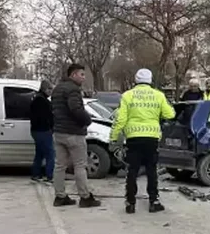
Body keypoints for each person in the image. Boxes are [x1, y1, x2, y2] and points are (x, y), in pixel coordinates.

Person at [110, 68, 175, 214]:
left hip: (133, 138)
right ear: (150, 80)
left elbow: (120, 119)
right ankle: (154, 201)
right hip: (152, 138)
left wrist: (113, 138)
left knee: (132, 170)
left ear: (136, 80)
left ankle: (130, 203)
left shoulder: (127, 95)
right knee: (152, 170)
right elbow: (170, 114)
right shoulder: (158, 95)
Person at [51, 64, 100, 208]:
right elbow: (76, 109)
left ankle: (60, 196)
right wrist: (87, 120)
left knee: (59, 166)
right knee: (80, 165)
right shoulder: (73, 89)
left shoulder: (57, 89)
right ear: (73, 75)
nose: (84, 78)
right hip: (73, 133)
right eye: (82, 74)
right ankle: (85, 197)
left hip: (59, 132)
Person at [30, 80, 55, 183]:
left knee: (39, 153)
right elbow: (47, 117)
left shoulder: (36, 98)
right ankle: (49, 176)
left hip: (36, 130)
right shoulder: (42, 101)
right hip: (43, 130)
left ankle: (36, 174)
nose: (51, 91)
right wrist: (51, 127)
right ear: (45, 89)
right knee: (50, 154)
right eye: (49, 89)